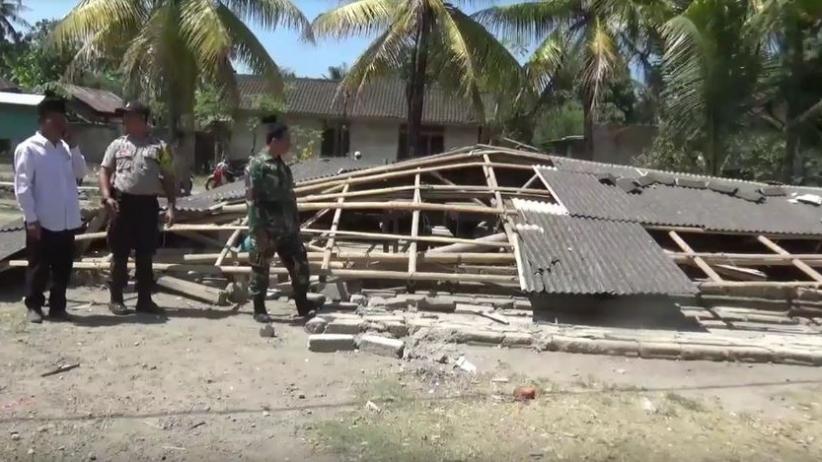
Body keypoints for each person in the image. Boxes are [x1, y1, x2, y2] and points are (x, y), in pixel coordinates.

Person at [13, 96, 87, 323]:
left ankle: (58, 306)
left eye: (62, 119)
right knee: (38, 267)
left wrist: (74, 146)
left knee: (63, 267)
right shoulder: (29, 149)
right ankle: (34, 306)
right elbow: (23, 187)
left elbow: (81, 172)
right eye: (55, 119)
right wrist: (31, 218)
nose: (60, 124)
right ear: (43, 121)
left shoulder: (65, 149)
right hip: (42, 220)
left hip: (66, 220)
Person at [99, 102, 176, 315]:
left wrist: (171, 206)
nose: (125, 120)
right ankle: (116, 298)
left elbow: (169, 177)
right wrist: (106, 197)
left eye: (129, 116)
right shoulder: (117, 145)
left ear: (142, 119)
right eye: (124, 117)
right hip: (122, 204)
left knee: (145, 253)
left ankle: (144, 300)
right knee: (120, 252)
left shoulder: (161, 147)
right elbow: (104, 171)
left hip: (147, 205)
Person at [246, 116, 317, 323]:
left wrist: (296, 224)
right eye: (287, 140)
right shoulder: (257, 165)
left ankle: (302, 305)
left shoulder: (283, 167)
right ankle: (259, 308)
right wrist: (257, 229)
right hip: (266, 228)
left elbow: (289, 197)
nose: (290, 144)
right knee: (260, 269)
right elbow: (252, 200)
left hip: (287, 228)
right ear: (274, 141)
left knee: (300, 265)